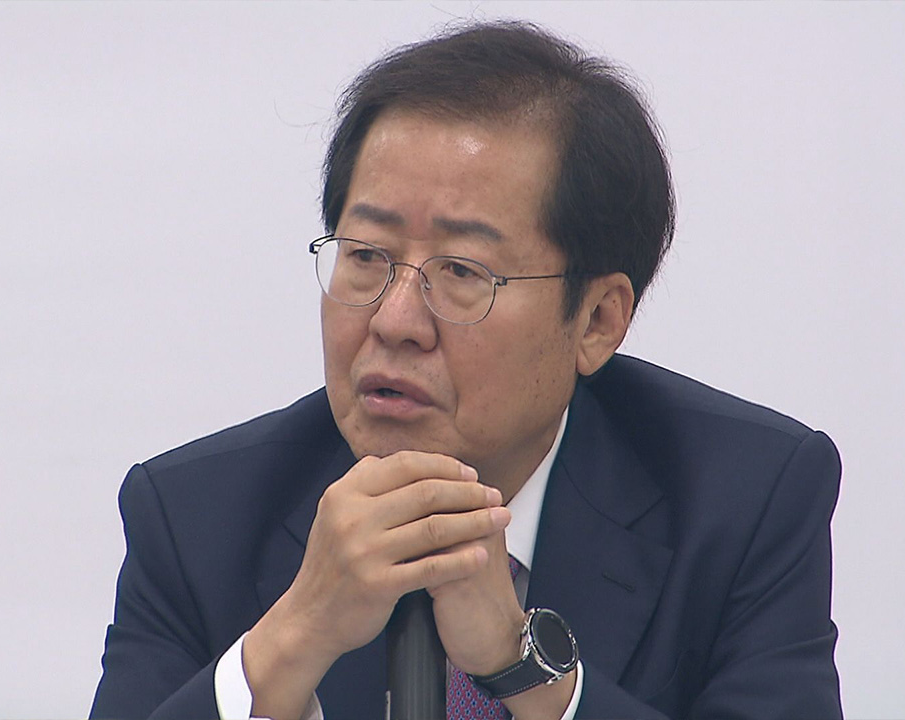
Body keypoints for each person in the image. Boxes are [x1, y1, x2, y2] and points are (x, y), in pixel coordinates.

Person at [90, 20, 843, 720]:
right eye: (365, 256)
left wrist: (526, 672)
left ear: (597, 321)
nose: (394, 321)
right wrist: (290, 641)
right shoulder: (194, 516)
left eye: (462, 272)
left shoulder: (743, 501)